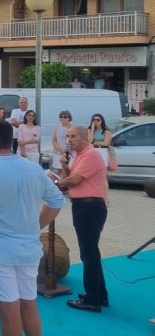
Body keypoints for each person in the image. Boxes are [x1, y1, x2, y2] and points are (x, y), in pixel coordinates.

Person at [0, 119, 65, 335]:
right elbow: (57, 201)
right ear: (11, 141)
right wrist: (36, 224)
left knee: (8, 309)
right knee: (28, 303)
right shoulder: (33, 168)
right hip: (28, 247)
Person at [57, 125, 109, 312]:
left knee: (88, 254)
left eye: (73, 136)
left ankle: (92, 300)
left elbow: (74, 180)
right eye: (67, 136)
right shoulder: (78, 155)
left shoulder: (91, 155)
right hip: (82, 206)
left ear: (84, 137)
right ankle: (99, 295)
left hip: (90, 206)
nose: (69, 140)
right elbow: (68, 178)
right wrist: (63, 166)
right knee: (90, 253)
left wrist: (53, 183)